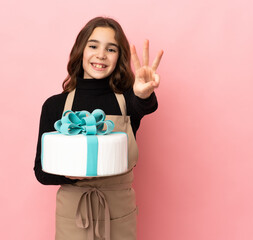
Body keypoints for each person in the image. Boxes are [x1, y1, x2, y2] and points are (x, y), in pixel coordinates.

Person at [34, 16, 163, 240]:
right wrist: (72, 175)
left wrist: (143, 94)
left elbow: (144, 105)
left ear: (119, 57)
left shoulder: (127, 101)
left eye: (111, 49)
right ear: (80, 50)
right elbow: (41, 172)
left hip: (119, 213)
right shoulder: (54, 105)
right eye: (93, 46)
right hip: (73, 213)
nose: (101, 55)